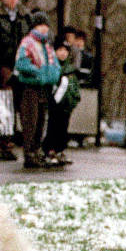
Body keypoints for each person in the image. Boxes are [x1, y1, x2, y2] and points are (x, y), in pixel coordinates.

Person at [0, 0, 32, 161]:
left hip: (23, 66)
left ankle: (29, 146)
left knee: (26, 107)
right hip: (4, 66)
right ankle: (6, 145)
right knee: (6, 106)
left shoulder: (26, 16)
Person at [13, 11, 61, 168]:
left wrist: (51, 76)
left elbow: (55, 65)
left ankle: (36, 150)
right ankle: (29, 153)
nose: (44, 28)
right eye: (40, 25)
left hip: (44, 88)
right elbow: (21, 63)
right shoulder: (27, 43)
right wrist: (38, 72)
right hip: (31, 87)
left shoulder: (48, 45)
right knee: (30, 121)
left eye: (46, 25)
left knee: (41, 121)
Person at [42, 36, 80, 165]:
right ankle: (50, 150)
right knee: (53, 126)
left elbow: (74, 87)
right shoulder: (52, 67)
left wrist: (75, 99)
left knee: (63, 128)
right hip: (54, 103)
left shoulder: (70, 69)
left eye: (65, 50)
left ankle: (60, 150)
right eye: (60, 50)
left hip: (67, 104)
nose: (63, 53)